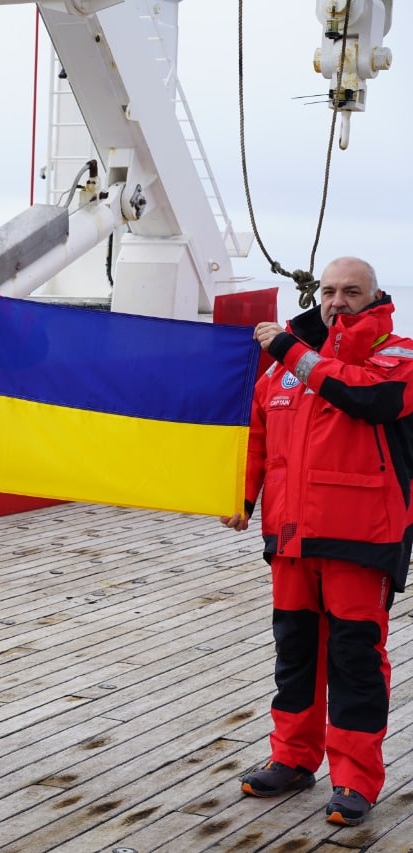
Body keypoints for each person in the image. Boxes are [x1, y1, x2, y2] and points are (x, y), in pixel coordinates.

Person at [221, 256, 412, 827]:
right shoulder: (282, 370)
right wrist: (242, 496)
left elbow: (370, 398)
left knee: (355, 660)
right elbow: (256, 436)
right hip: (291, 537)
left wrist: (290, 351)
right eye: (328, 291)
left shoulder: (397, 354)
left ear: (375, 297)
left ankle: (355, 779)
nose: (336, 301)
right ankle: (293, 758)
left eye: (351, 291)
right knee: (295, 654)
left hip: (363, 536)